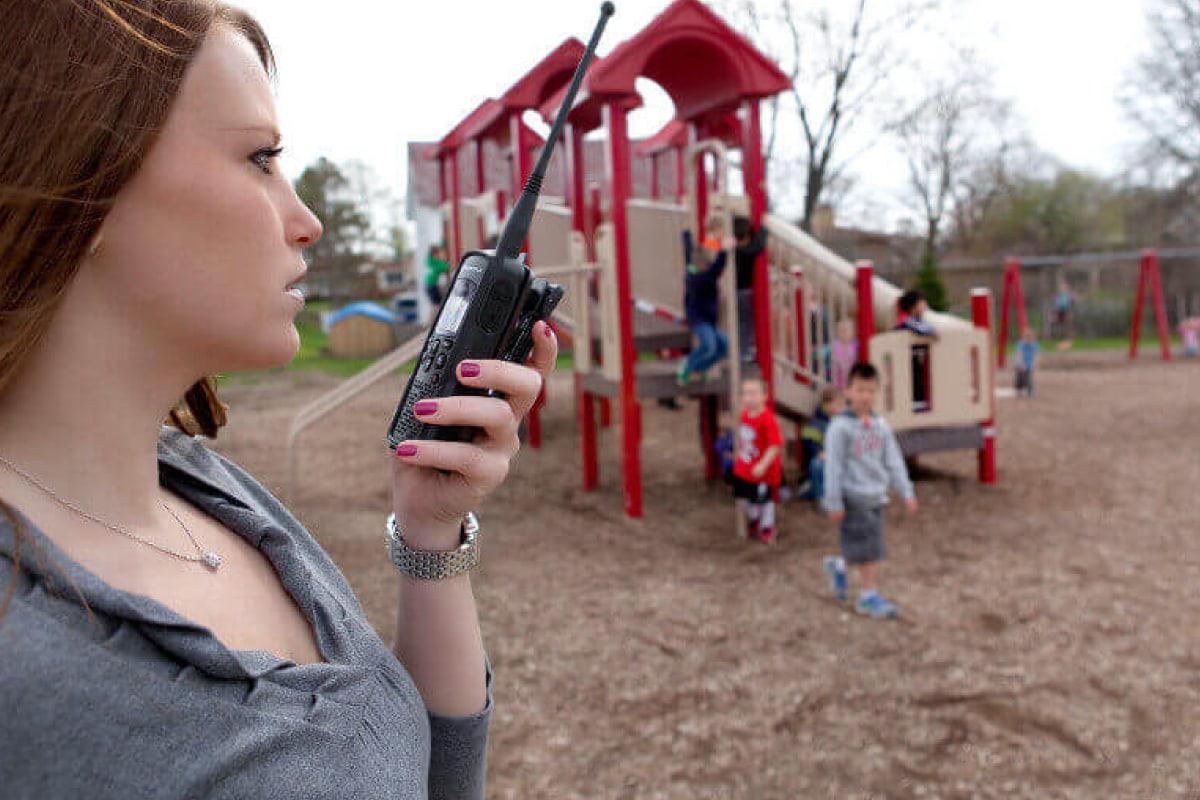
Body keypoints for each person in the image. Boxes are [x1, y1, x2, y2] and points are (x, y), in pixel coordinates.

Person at [0, 4, 555, 797]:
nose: (307, 221)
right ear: (83, 183)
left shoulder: (214, 496)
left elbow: (427, 782)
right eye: (260, 159)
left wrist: (429, 533)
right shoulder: (26, 673)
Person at [822, 363, 918, 619]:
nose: (866, 396)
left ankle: (839, 565)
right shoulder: (839, 428)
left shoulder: (880, 426)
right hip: (853, 495)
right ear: (848, 392)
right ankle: (868, 595)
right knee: (871, 547)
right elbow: (833, 466)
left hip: (876, 494)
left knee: (863, 545)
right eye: (860, 390)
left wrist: (905, 490)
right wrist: (833, 502)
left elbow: (893, 459)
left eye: (871, 391)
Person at [678, 214, 731, 385]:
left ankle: (699, 368)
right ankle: (687, 365)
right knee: (709, 345)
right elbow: (716, 268)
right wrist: (724, 251)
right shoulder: (701, 274)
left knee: (723, 346)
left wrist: (685, 232)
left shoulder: (695, 267)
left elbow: (689, 252)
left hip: (708, 315)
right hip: (698, 316)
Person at [732, 375, 784, 543]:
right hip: (745, 466)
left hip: (764, 470)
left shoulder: (767, 419)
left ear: (764, 396)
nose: (749, 397)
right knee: (743, 497)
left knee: (765, 500)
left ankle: (768, 527)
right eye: (746, 393)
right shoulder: (744, 414)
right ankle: (755, 518)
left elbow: (775, 445)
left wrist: (763, 464)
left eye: (754, 393)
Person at [732, 216, 768, 363]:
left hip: (733, 291)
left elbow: (708, 245)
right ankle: (744, 352)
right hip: (745, 292)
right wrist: (764, 229)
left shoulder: (731, 249)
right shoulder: (745, 251)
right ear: (747, 236)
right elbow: (758, 247)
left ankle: (740, 350)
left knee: (739, 323)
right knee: (746, 323)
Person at [799, 384, 843, 504]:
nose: (834, 408)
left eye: (838, 405)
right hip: (824, 461)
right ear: (824, 405)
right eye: (830, 404)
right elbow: (810, 446)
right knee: (817, 463)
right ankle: (821, 497)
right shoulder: (814, 424)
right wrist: (821, 452)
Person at [829, 318, 858, 389]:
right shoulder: (835, 345)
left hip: (850, 373)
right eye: (839, 330)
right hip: (837, 373)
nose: (842, 333)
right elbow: (829, 354)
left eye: (845, 331)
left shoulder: (854, 346)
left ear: (853, 333)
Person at [1014, 327, 1040, 398]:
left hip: (1029, 363)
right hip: (1020, 363)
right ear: (1024, 338)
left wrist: (1035, 364)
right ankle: (1018, 390)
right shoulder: (1021, 344)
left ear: (1033, 338)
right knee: (1020, 378)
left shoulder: (1035, 345)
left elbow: (1036, 355)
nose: (1029, 340)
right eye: (1027, 338)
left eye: (1031, 338)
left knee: (1029, 378)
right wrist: (1021, 364)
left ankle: (1029, 391)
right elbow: (1019, 354)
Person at [1051, 277, 1075, 349]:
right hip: (1059, 311)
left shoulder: (1068, 295)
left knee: (1068, 324)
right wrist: (1055, 311)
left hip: (1067, 311)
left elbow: (1072, 303)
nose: (1062, 288)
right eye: (1061, 287)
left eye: (1064, 287)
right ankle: (1060, 338)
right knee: (1059, 324)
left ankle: (1069, 339)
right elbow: (1055, 304)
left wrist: (1070, 309)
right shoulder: (1058, 296)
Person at [426, 243, 450, 307]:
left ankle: (435, 316)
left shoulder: (430, 261)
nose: (440, 255)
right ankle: (436, 316)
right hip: (432, 285)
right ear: (435, 254)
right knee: (437, 305)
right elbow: (445, 267)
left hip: (431, 285)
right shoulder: (434, 261)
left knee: (436, 305)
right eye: (439, 253)